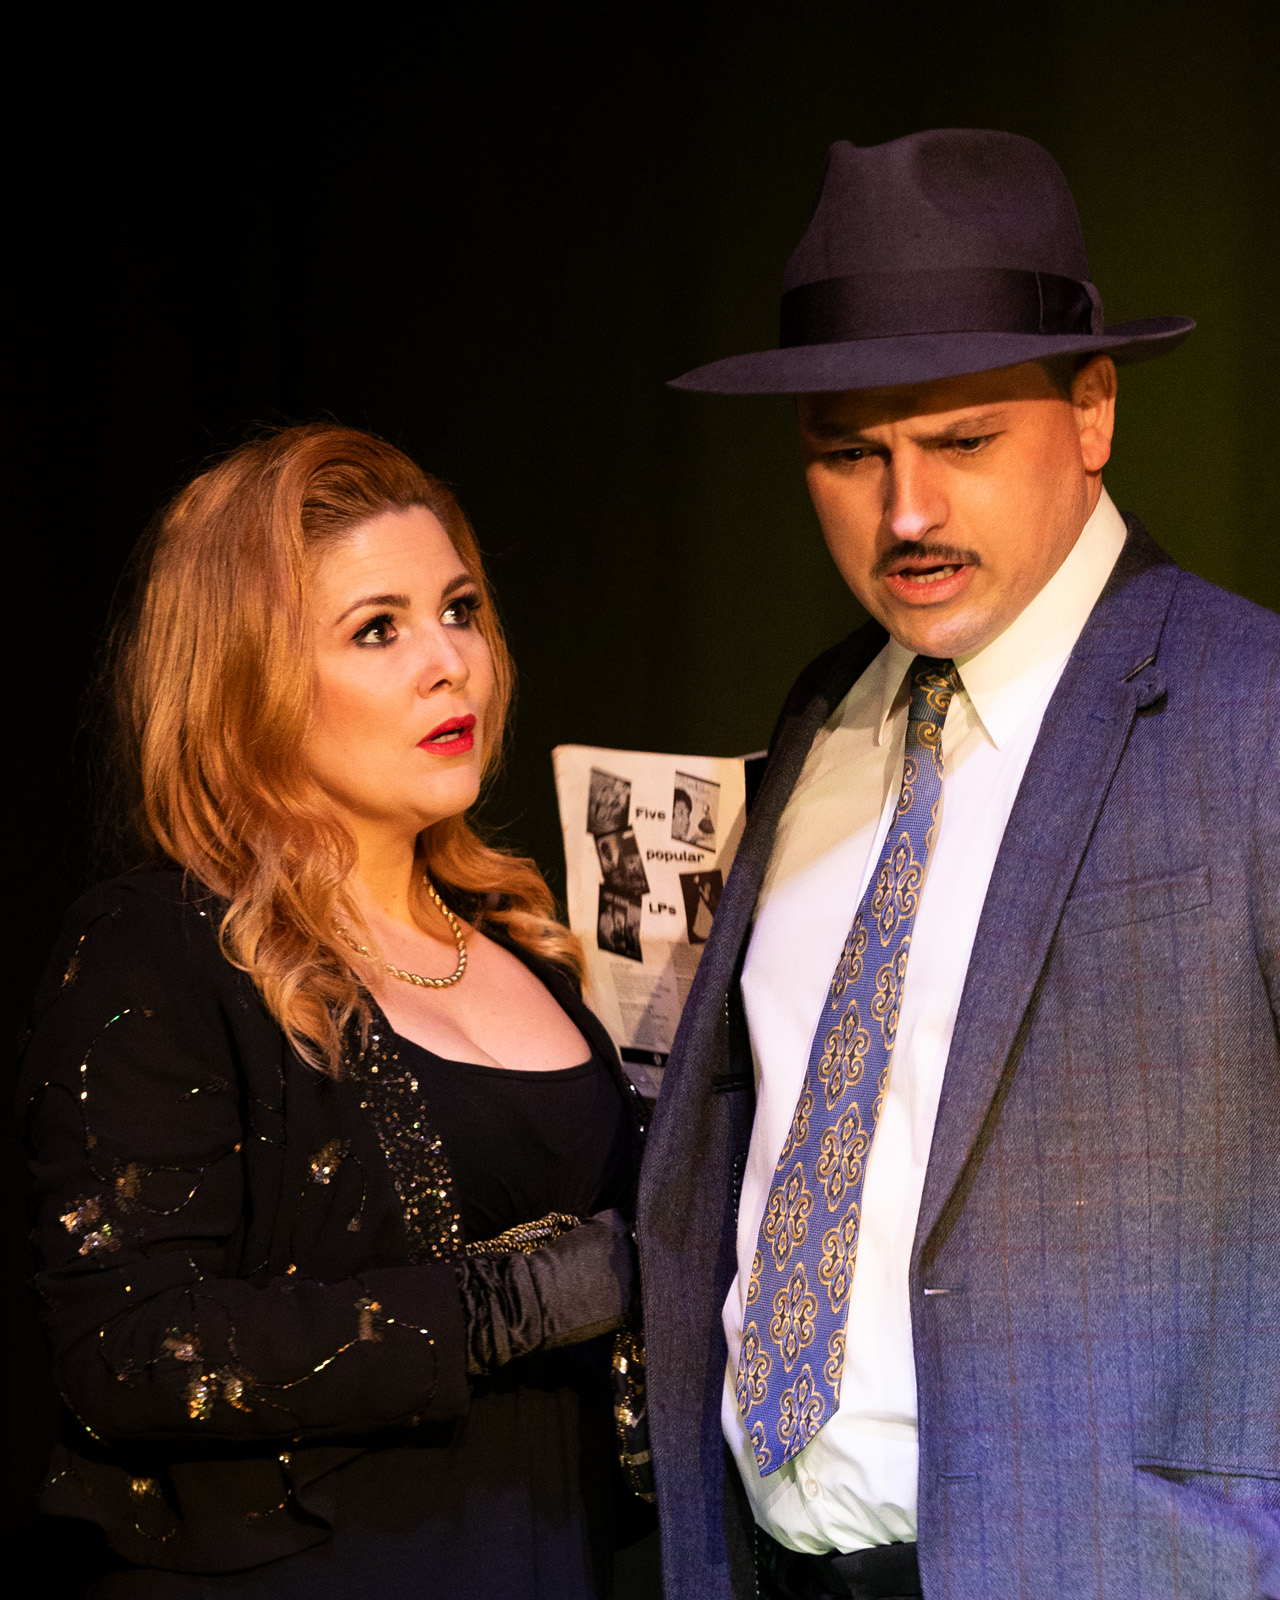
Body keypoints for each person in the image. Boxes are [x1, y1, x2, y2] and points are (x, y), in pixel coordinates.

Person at [637, 130, 1280, 1600]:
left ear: (1093, 410)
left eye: (963, 442)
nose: (907, 511)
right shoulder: (823, 719)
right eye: (849, 454)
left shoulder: (1251, 711)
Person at [19, 424, 653, 1599]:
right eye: (377, 628)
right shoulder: (162, 945)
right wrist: (505, 1304)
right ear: (245, 681)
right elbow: (128, 1348)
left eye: (459, 610)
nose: (448, 662)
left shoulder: (527, 947)